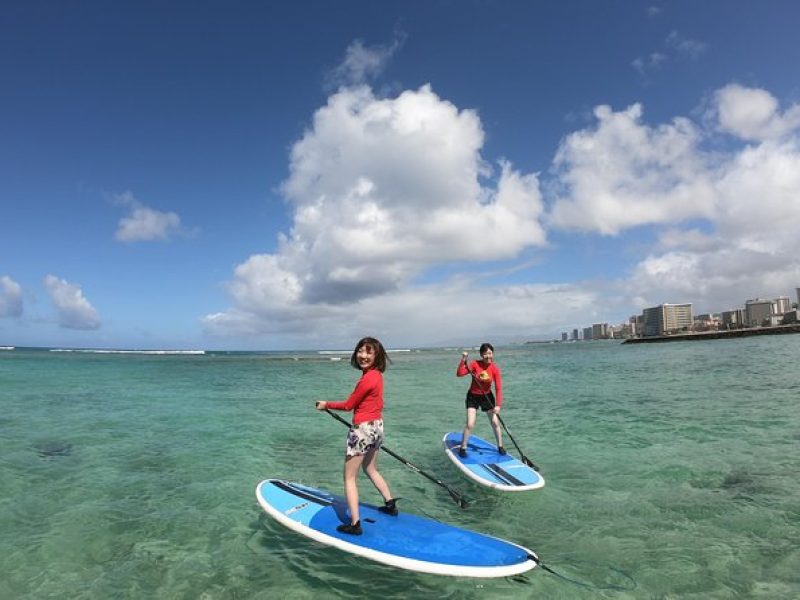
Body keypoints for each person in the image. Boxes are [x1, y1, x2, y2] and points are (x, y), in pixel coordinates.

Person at [315, 337, 398, 535]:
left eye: (369, 352)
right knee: (370, 468)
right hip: (377, 427)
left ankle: (355, 524)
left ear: (377, 356)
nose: (363, 355)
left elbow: (348, 405)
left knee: (349, 477)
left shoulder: (367, 379)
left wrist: (326, 404)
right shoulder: (377, 375)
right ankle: (390, 504)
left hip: (362, 430)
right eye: (360, 351)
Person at [456, 342, 504, 457]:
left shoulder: (494, 369)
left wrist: (498, 405)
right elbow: (459, 373)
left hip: (486, 396)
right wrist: (463, 360)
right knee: (470, 424)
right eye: (486, 354)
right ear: (481, 355)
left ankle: (500, 446)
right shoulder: (474, 365)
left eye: (490, 353)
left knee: (495, 422)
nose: (489, 356)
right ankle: (463, 447)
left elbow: (498, 388)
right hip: (473, 396)